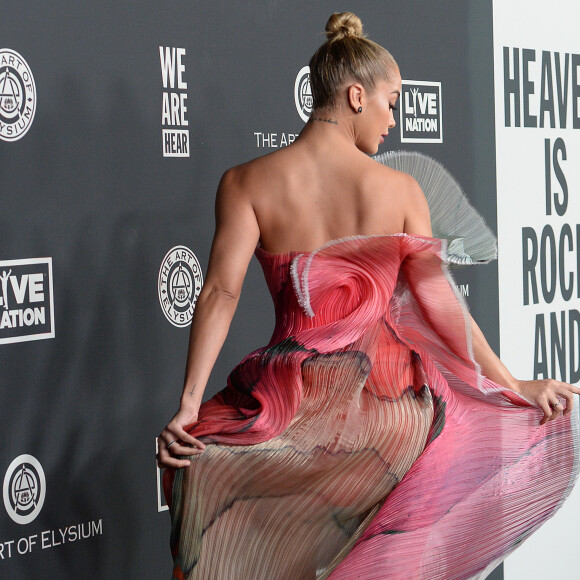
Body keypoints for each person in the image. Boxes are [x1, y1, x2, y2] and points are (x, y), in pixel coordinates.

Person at [158, 12, 579, 579]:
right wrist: (513, 386)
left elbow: (219, 291)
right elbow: (442, 308)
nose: (393, 120)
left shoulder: (246, 182)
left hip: (292, 411)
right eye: (391, 101)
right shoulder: (400, 190)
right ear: (356, 95)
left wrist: (189, 404)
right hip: (392, 418)